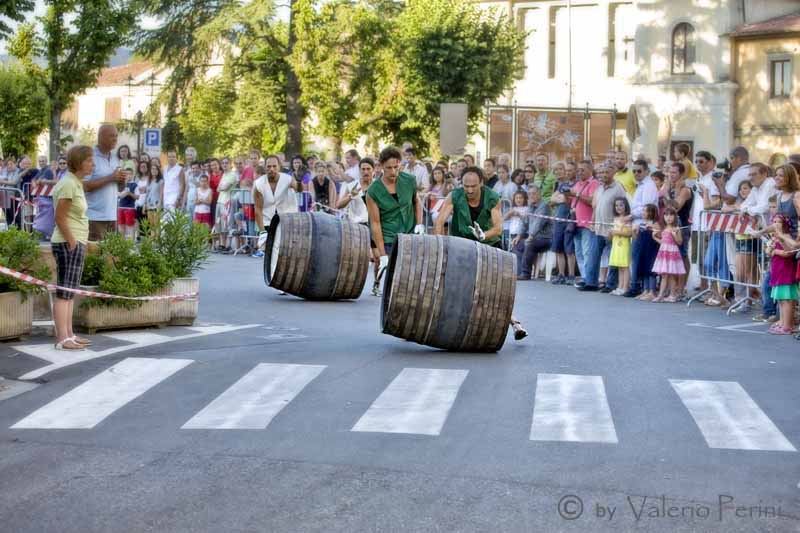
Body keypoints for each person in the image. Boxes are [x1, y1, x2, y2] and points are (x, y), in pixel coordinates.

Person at [432, 166, 527, 340]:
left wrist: (484, 235)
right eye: (466, 186)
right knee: (461, 287)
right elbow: (439, 222)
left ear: (481, 183)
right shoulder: (454, 195)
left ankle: (514, 322)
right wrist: (440, 246)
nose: (469, 190)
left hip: (489, 245)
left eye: (473, 186)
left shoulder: (492, 197)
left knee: (496, 289)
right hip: (462, 245)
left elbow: (498, 228)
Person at [51, 145, 93, 351]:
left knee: (70, 291)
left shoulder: (75, 182)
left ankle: (69, 335)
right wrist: (72, 240)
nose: (92, 164)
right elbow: (59, 217)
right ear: (79, 162)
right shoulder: (68, 183)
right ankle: (62, 339)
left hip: (74, 241)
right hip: (68, 242)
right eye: (89, 160)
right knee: (64, 291)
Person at [367, 146, 424, 294]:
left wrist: (419, 223)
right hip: (387, 233)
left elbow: (416, 201)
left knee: (406, 267)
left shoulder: (409, 180)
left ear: (400, 164)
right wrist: (382, 252)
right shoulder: (373, 191)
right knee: (382, 261)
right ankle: (377, 283)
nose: (393, 172)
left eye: (396, 167)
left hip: (409, 230)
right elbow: (375, 223)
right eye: (389, 168)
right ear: (381, 167)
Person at [578, 165, 625, 292]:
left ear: (613, 173)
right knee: (593, 256)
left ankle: (610, 285)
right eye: (601, 172)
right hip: (597, 228)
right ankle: (591, 282)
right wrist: (592, 223)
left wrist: (617, 226)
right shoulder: (599, 188)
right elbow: (595, 207)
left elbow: (622, 209)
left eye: (606, 172)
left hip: (611, 229)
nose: (603, 174)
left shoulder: (618, 188)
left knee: (612, 258)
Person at [84, 125, 126, 241]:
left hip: (112, 216)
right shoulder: (89, 157)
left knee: (111, 256)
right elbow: (84, 186)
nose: (115, 139)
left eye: (116, 136)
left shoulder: (115, 158)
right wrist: (111, 177)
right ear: (100, 137)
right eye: (111, 136)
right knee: (95, 256)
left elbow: (120, 189)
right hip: (94, 217)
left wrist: (122, 180)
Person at [253, 155, 300, 258]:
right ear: (265, 167)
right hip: (268, 221)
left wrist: (299, 181)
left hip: (287, 220)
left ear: (279, 167)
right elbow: (258, 210)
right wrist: (262, 231)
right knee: (270, 254)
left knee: (285, 252)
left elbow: (299, 189)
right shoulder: (259, 184)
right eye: (269, 166)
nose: (271, 169)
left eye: (274, 166)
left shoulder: (288, 179)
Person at [625, 159, 660, 297]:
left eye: (639, 171)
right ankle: (640, 287)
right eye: (633, 171)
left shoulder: (649, 186)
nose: (636, 173)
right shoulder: (640, 185)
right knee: (637, 257)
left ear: (646, 171)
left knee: (642, 257)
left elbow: (647, 207)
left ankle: (638, 287)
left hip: (645, 226)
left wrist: (631, 215)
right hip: (639, 225)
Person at [567, 160, 600, 287]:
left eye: (582, 170)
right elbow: (572, 200)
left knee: (587, 252)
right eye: (578, 170)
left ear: (590, 170)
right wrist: (567, 194)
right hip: (576, 223)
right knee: (579, 253)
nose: (579, 172)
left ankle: (590, 279)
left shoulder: (594, 183)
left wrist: (577, 194)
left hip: (587, 224)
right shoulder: (578, 184)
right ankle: (584, 277)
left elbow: (592, 201)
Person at [765, 215, 796, 335]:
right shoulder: (775, 237)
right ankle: (783, 322)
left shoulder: (786, 237)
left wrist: (776, 250)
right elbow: (768, 251)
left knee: (786, 299)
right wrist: (770, 248)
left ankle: (787, 326)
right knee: (781, 300)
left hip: (786, 272)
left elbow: (788, 252)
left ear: (784, 225)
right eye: (774, 222)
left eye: (778, 222)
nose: (775, 224)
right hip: (778, 272)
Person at [516, 185, 553, 281]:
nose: (531, 196)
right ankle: (519, 272)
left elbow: (538, 223)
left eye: (534, 193)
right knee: (517, 244)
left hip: (545, 239)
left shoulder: (544, 206)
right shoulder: (530, 207)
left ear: (539, 194)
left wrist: (531, 236)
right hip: (535, 238)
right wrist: (519, 236)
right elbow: (524, 223)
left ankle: (526, 273)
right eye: (529, 194)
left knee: (530, 244)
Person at [549, 161, 576, 285]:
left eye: (562, 169)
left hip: (569, 218)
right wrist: (560, 198)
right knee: (558, 248)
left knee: (569, 249)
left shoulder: (575, 185)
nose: (559, 172)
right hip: (558, 219)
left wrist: (561, 198)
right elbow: (552, 200)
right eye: (556, 170)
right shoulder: (561, 185)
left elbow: (568, 201)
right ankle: (561, 274)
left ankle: (571, 275)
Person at [652, 207, 686, 303]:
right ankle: (661, 295)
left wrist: (675, 235)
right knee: (664, 275)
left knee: (671, 275)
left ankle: (672, 295)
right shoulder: (664, 229)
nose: (668, 217)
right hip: (664, 252)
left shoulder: (676, 228)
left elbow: (679, 242)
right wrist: (655, 238)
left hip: (672, 253)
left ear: (675, 217)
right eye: (666, 215)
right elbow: (663, 242)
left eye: (671, 215)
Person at [634, 204, 660, 301]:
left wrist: (652, 227)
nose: (643, 213)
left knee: (651, 270)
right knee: (644, 269)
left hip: (652, 249)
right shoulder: (641, 223)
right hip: (643, 249)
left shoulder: (655, 223)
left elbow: (659, 234)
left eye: (645, 211)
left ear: (651, 213)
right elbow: (636, 238)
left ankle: (652, 291)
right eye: (643, 210)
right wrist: (635, 231)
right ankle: (645, 290)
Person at [608, 198, 633, 295]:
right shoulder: (615, 219)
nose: (618, 207)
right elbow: (611, 234)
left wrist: (616, 232)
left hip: (624, 244)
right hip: (616, 244)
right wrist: (610, 234)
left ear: (625, 206)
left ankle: (625, 287)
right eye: (616, 205)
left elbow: (629, 233)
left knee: (624, 266)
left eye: (621, 205)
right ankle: (620, 286)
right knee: (619, 266)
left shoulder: (627, 218)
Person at [505, 190, 529, 274]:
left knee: (518, 252)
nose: (519, 200)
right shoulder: (513, 208)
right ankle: (516, 271)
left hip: (521, 234)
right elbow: (504, 218)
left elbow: (526, 222)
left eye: (521, 198)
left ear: (525, 199)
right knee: (513, 253)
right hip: (512, 233)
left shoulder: (527, 209)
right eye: (517, 198)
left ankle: (519, 272)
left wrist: (519, 215)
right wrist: (509, 214)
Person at [117, 168, 138, 240]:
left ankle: (130, 245)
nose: (128, 176)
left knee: (130, 226)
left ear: (132, 175)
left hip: (130, 208)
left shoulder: (135, 185)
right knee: (120, 226)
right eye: (126, 174)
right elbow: (118, 195)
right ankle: (122, 244)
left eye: (130, 174)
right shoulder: (121, 184)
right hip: (120, 207)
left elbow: (137, 197)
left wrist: (129, 193)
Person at [144, 161, 163, 230]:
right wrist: (145, 204)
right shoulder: (149, 181)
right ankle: (152, 240)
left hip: (156, 203)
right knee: (151, 224)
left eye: (155, 169)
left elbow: (161, 193)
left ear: (158, 171)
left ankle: (156, 240)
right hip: (149, 204)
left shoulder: (161, 181)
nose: (154, 170)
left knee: (156, 224)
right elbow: (147, 193)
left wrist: (160, 203)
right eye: (152, 169)